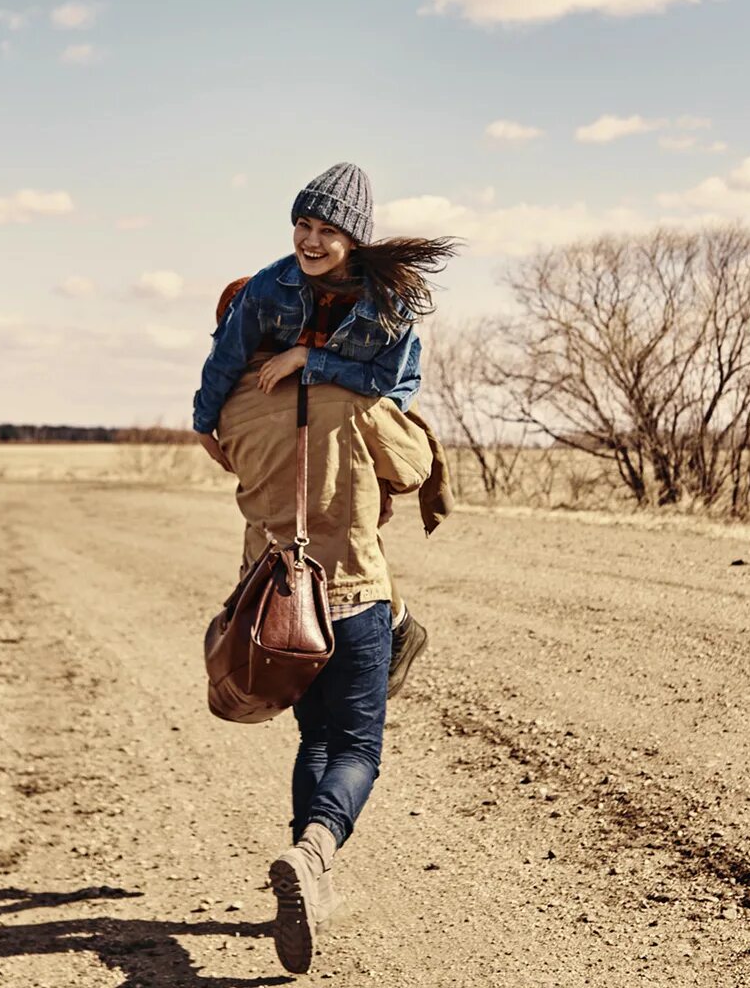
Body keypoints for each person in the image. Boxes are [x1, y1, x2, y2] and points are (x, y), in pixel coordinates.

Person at [191, 162, 458, 974]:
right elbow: (411, 468)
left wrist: (284, 384)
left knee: (312, 735)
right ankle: (314, 852)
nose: (308, 241)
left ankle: (309, 865)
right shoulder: (362, 400)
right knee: (357, 742)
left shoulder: (235, 407)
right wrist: (348, 397)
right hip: (351, 594)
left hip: (277, 599)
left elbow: (216, 432)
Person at [193, 162, 457, 697]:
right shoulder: (269, 286)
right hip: (299, 419)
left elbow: (395, 382)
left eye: (328, 231)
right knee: (301, 524)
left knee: (354, 526)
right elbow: (226, 356)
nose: (310, 242)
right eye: (303, 226)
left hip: (362, 413)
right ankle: (286, 640)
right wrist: (205, 421)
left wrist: (308, 360)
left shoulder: (389, 302)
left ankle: (390, 629)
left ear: (354, 239)